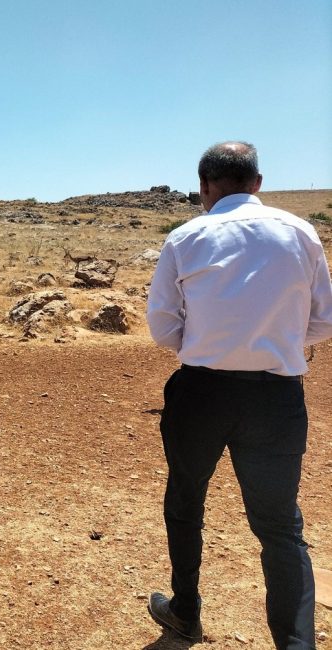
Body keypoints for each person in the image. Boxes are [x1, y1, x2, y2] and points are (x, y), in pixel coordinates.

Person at [146, 142, 332, 649]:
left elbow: (163, 327)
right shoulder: (301, 233)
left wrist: (209, 345)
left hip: (201, 392)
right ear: (258, 182)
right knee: (279, 526)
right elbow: (323, 320)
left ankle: (185, 612)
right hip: (276, 396)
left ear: (204, 187)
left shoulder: (186, 237)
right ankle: (296, 644)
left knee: (186, 499)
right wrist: (276, 340)